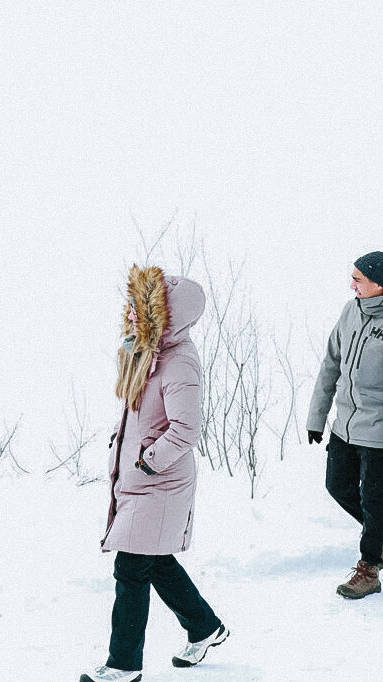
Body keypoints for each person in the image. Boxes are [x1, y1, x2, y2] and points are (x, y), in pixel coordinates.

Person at [85, 267, 228, 682]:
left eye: (139, 308)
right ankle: (204, 627)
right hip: (141, 479)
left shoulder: (180, 361)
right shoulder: (149, 353)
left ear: (163, 315)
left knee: (131, 568)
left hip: (160, 482)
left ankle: (123, 664)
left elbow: (186, 429)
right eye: (130, 305)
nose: (129, 313)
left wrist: (148, 460)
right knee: (156, 562)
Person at [306, 251, 383, 600]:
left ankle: (369, 569)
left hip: (381, 430)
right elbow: (331, 364)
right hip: (344, 425)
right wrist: (318, 416)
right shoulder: (351, 311)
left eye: (358, 279)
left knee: (372, 499)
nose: (352, 285)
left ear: (378, 284)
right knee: (337, 487)